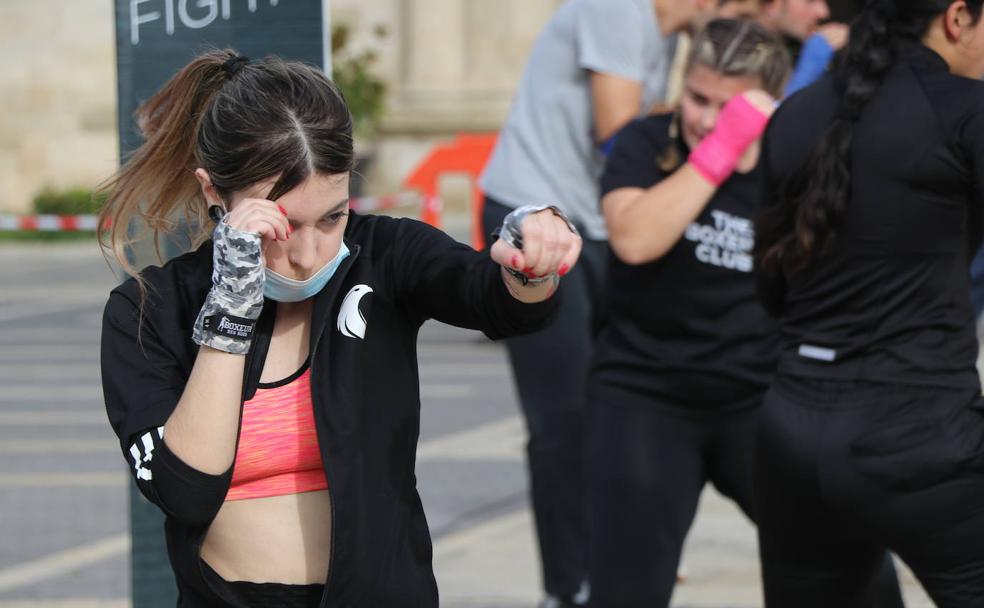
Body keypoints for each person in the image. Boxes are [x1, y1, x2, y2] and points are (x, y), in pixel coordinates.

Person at [98, 50, 581, 608]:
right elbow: (183, 490)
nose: (307, 254)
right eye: (279, 224)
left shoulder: (384, 255)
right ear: (215, 195)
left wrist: (531, 259)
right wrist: (230, 307)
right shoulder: (150, 308)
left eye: (332, 217)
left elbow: (496, 299)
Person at [477, 2, 717, 605]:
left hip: (596, 225)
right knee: (563, 418)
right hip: (537, 217)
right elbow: (617, 128)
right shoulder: (618, 8)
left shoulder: (668, 40)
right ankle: (570, 587)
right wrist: (731, 124)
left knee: (629, 397)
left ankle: (615, 555)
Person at [754, 0, 984, 605]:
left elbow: (768, 287)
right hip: (918, 431)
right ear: (958, 17)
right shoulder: (965, 110)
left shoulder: (794, 116)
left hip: (792, 434)